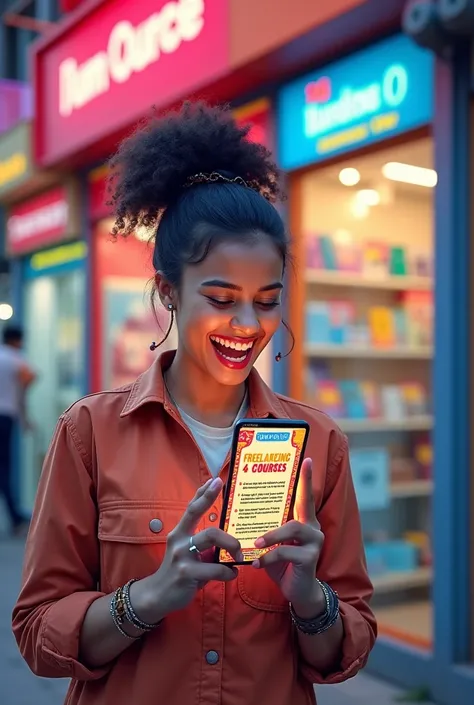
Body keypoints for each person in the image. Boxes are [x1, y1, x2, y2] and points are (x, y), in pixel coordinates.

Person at [12, 102, 376, 705]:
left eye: (265, 300)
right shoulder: (90, 433)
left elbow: (347, 649)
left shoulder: (319, 443)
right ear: (168, 291)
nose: (246, 323)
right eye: (221, 297)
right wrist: (148, 597)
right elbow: (36, 634)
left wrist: (312, 599)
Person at [0, 324, 35, 536]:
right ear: (17, 340)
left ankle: (14, 514)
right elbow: (28, 381)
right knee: (4, 466)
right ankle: (14, 516)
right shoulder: (16, 360)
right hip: (6, 416)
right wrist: (25, 418)